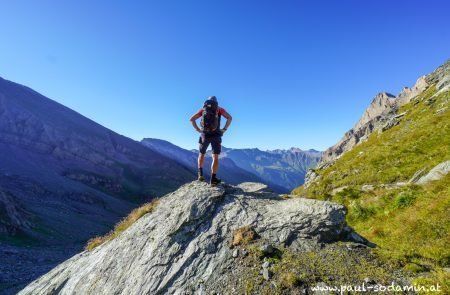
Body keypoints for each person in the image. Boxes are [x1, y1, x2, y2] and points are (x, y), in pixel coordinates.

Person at [190, 96, 232, 186]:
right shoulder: (219, 109)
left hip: (204, 134)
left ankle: (200, 175)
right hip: (216, 135)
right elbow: (230, 118)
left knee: (201, 154)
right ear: (216, 102)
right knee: (215, 157)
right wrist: (224, 129)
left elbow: (192, 119)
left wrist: (198, 129)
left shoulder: (203, 110)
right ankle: (213, 179)